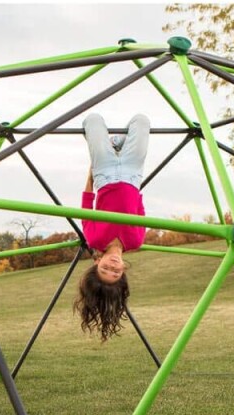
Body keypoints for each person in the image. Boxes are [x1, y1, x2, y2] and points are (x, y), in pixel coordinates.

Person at [73, 112, 150, 341]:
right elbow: (140, 208)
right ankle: (118, 144)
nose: (112, 266)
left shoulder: (94, 240)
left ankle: (114, 145)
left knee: (93, 120)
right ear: (123, 270)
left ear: (97, 262)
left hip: (104, 173)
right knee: (141, 120)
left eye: (105, 269)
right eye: (115, 272)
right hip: (132, 174)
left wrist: (91, 173)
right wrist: (133, 187)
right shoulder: (136, 241)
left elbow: (87, 205)